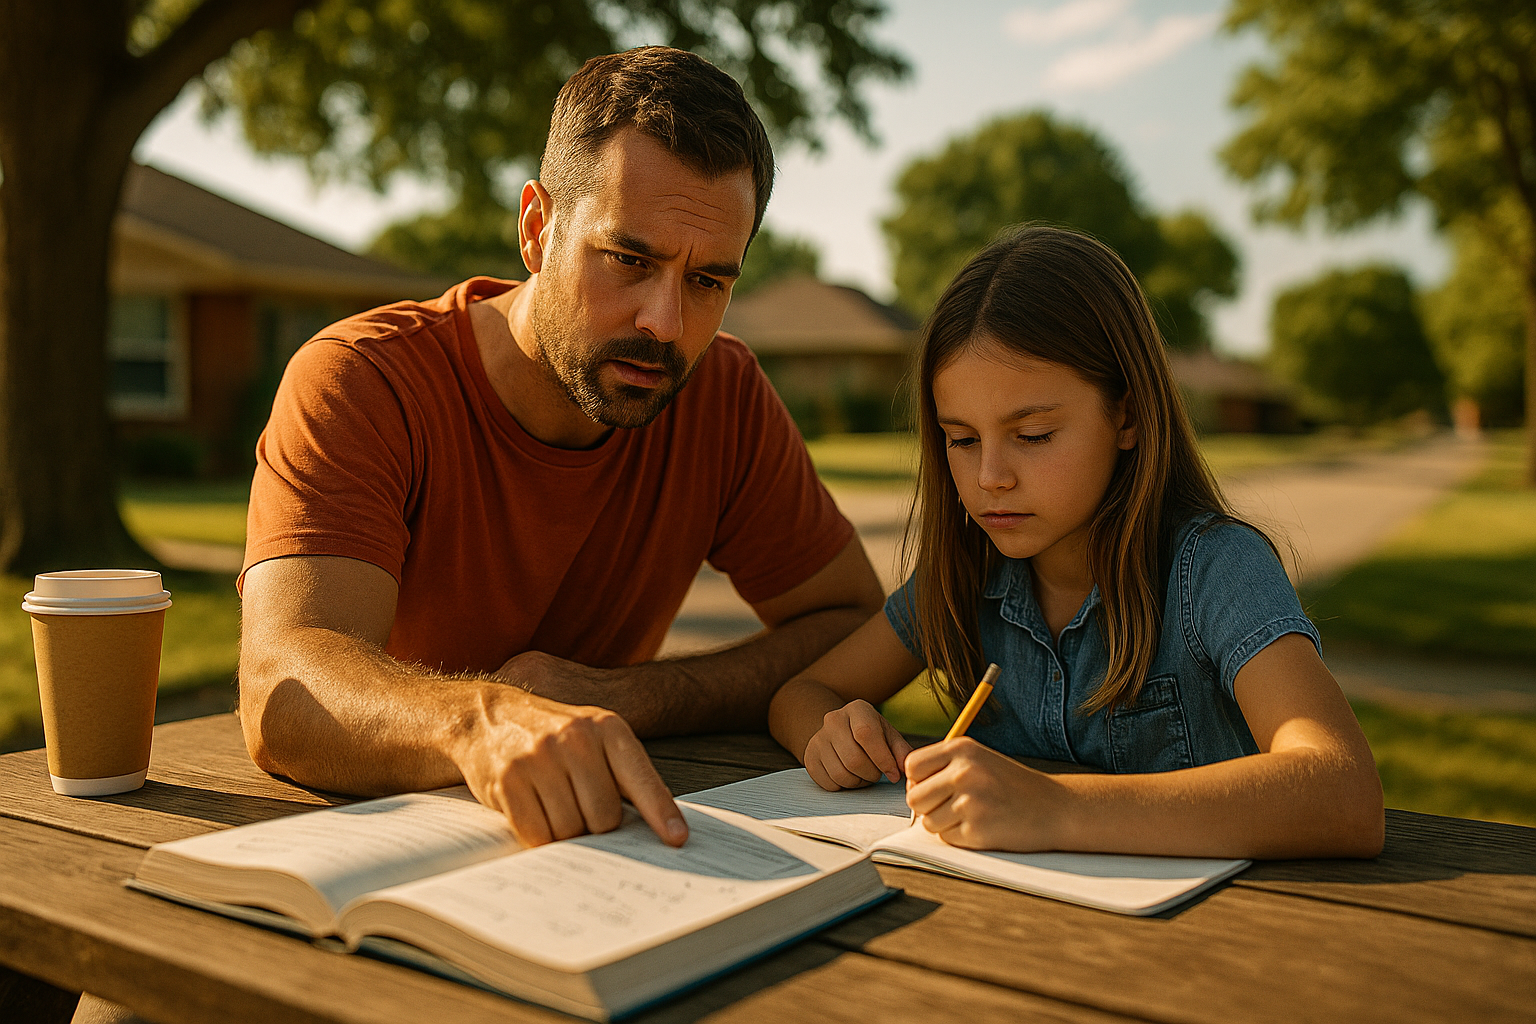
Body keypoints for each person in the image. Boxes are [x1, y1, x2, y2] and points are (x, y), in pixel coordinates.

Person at [236, 47, 885, 852]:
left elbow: (854, 621)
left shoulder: (723, 393)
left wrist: (625, 696)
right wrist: (486, 721)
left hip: (600, 851)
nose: (665, 323)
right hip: (356, 846)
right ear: (538, 229)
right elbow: (282, 689)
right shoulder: (364, 381)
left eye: (707, 281)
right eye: (629, 260)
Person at [768, 225, 1385, 860]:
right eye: (962, 439)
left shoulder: (1213, 571)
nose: (990, 478)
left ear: (1128, 415)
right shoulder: (963, 576)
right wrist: (837, 732)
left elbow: (1342, 791)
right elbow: (801, 694)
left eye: (1032, 434)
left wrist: (1057, 809)